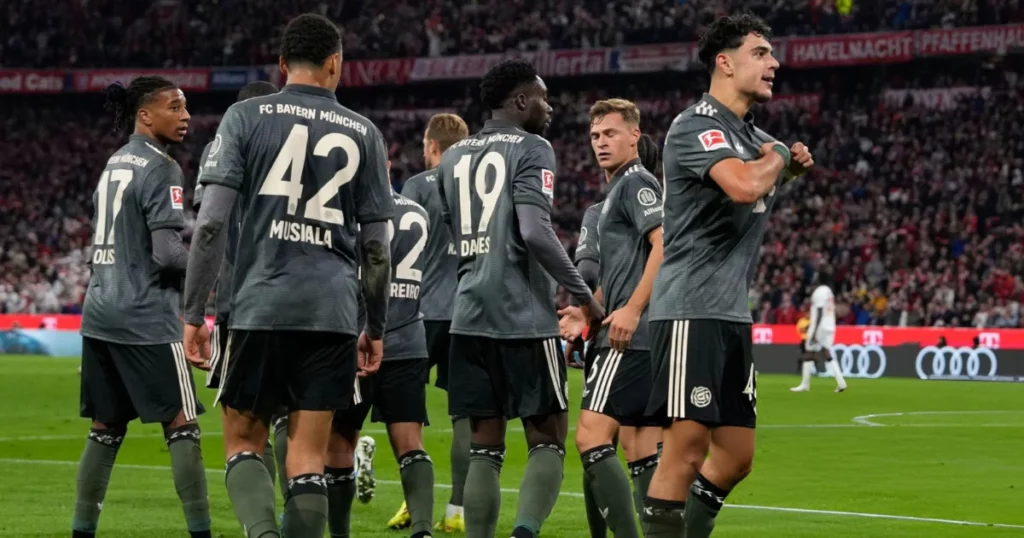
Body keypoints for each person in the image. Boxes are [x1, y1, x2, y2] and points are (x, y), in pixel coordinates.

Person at [182, 13, 395, 538]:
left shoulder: (246, 118)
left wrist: (194, 314)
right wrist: (376, 326)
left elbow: (209, 224)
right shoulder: (366, 133)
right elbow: (376, 248)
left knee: (244, 443)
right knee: (306, 457)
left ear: (281, 65)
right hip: (332, 312)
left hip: (259, 302)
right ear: (334, 64)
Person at [641, 14, 814, 537]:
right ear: (725, 61)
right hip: (690, 310)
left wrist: (780, 163)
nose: (774, 63)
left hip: (731, 315)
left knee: (736, 457)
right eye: (760, 53)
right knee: (686, 451)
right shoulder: (696, 124)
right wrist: (782, 157)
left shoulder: (752, 135)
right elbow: (742, 186)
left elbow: (753, 183)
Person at [436, 58, 604, 538]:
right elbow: (534, 230)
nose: (550, 108)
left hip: (467, 318)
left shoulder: (451, 158)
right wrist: (582, 294)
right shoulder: (534, 148)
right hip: (524, 318)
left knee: (484, 448)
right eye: (544, 98)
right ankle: (525, 532)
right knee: (547, 440)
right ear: (521, 100)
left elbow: (457, 232)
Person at [75, 76, 210, 538]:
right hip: (145, 315)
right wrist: (210, 273)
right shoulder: (161, 167)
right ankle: (202, 532)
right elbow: (168, 253)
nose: (186, 115)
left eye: (186, 106)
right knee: (182, 423)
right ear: (145, 115)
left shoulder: (115, 162)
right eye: (175, 107)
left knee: (105, 428)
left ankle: (81, 531)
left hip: (99, 313)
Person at [559, 99, 664, 538]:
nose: (602, 142)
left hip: (630, 336)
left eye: (611, 133)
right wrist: (586, 314)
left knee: (590, 438)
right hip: (633, 333)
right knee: (639, 445)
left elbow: (666, 246)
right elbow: (620, 276)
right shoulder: (614, 193)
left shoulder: (635, 182)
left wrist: (633, 309)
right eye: (596, 136)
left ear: (634, 136)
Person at [330, 188, 436, 538]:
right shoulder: (418, 212)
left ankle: (340, 532)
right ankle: (422, 530)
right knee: (410, 443)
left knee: (340, 440)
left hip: (359, 339)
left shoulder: (350, 208)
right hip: (409, 338)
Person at [192, 80, 281, 487]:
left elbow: (209, 225)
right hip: (315, 303)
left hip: (241, 301)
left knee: (246, 434)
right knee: (303, 428)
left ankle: (262, 525)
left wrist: (194, 311)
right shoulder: (308, 140)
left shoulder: (223, 148)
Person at [392, 113, 470, 533]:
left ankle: (413, 502)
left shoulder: (416, 187)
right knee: (464, 417)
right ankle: (456, 512)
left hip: (418, 314)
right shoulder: (478, 188)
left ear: (433, 146)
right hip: (466, 315)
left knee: (407, 414)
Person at [791, 269, 846, 392]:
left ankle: (805, 384)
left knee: (808, 351)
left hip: (820, 326)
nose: (814, 278)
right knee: (826, 352)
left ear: (820, 279)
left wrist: (815, 331)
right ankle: (841, 382)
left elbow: (820, 311)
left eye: (816, 276)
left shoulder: (819, 292)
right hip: (830, 325)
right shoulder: (829, 292)